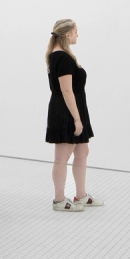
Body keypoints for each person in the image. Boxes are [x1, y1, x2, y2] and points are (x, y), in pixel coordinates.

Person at [45, 19, 104, 212]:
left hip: (74, 109)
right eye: (76, 31)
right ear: (67, 34)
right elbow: (66, 91)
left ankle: (81, 195)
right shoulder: (62, 57)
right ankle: (59, 200)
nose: (78, 35)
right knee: (62, 157)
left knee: (82, 152)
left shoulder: (60, 55)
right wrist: (77, 119)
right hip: (67, 112)